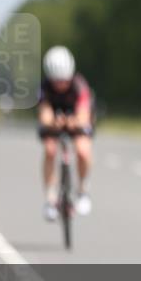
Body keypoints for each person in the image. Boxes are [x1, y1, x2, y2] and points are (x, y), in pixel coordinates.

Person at [38, 46, 94, 221]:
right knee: (50, 150)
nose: (61, 84)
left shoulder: (79, 85)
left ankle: (83, 191)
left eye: (64, 80)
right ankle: (50, 199)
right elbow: (45, 115)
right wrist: (53, 123)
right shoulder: (44, 88)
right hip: (55, 119)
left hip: (76, 117)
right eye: (57, 81)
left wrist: (73, 122)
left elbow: (84, 115)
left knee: (83, 150)